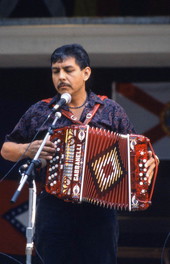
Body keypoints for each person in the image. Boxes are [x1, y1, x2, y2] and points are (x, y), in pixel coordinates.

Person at [1, 44, 156, 264]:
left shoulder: (110, 110)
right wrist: (28, 148)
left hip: (100, 210)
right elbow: (7, 148)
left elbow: (138, 150)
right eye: (56, 71)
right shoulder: (42, 111)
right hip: (53, 207)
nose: (61, 76)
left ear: (86, 73)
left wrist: (149, 161)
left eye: (68, 69)